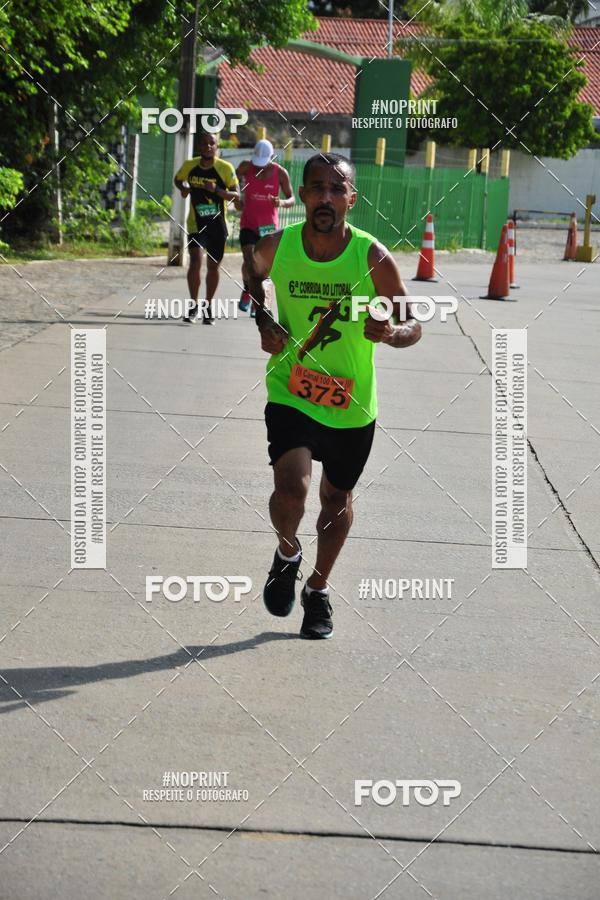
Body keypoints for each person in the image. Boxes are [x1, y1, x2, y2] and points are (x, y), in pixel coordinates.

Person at [247, 153, 422, 640]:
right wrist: (264, 319)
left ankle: (318, 588)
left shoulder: (372, 257)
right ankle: (287, 554)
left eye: (336, 188)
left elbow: (414, 324)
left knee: (336, 499)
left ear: (351, 198)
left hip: (351, 403)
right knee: (292, 488)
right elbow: (251, 273)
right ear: (301, 195)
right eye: (316, 187)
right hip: (292, 388)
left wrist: (391, 334)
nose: (325, 197)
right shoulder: (276, 247)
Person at [174, 132, 240, 324]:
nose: (208, 146)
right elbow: (178, 179)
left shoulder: (225, 168)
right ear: (199, 147)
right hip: (196, 223)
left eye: (212, 143)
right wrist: (183, 188)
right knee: (195, 261)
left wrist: (217, 191)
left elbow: (237, 195)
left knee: (213, 266)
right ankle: (193, 305)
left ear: (217, 146)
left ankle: (208, 306)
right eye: (204, 143)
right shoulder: (189, 166)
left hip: (217, 226)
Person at [234, 139, 295, 315]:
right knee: (249, 260)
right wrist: (239, 195)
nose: (258, 167)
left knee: (264, 266)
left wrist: (281, 202)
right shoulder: (246, 166)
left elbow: (292, 199)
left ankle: (257, 301)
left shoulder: (280, 173)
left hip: (268, 228)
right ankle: (248, 290)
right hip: (249, 223)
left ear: (271, 158)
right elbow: (233, 178)